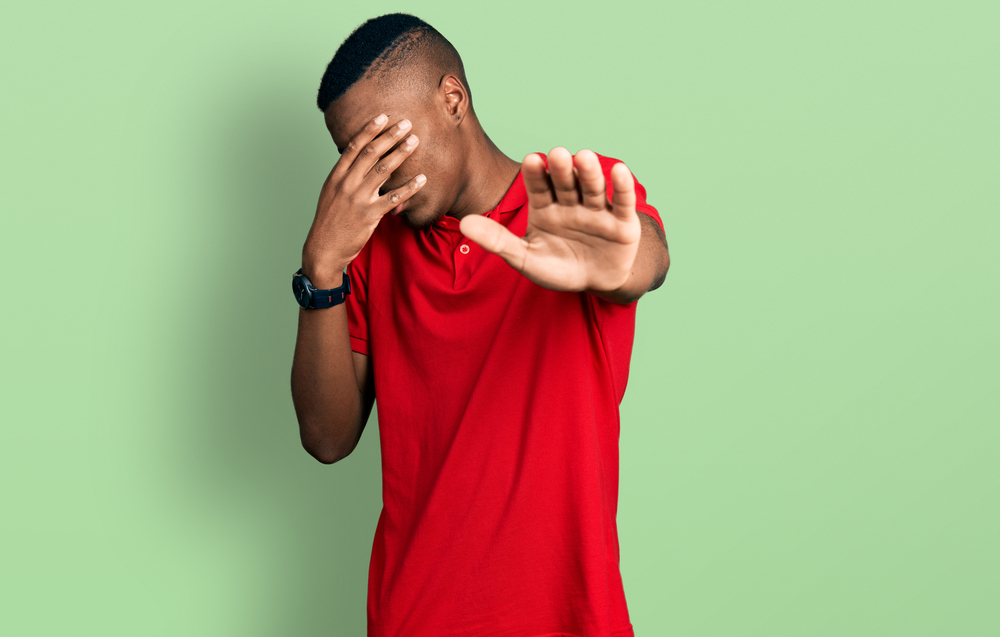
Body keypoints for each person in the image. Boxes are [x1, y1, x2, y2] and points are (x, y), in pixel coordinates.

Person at [290, 12, 670, 637]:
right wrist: (322, 266)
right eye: (354, 159)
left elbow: (645, 259)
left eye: (386, 146)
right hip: (415, 617)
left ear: (452, 99)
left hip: (572, 619)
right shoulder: (369, 251)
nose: (377, 175)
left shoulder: (565, 201)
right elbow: (327, 438)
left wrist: (619, 260)